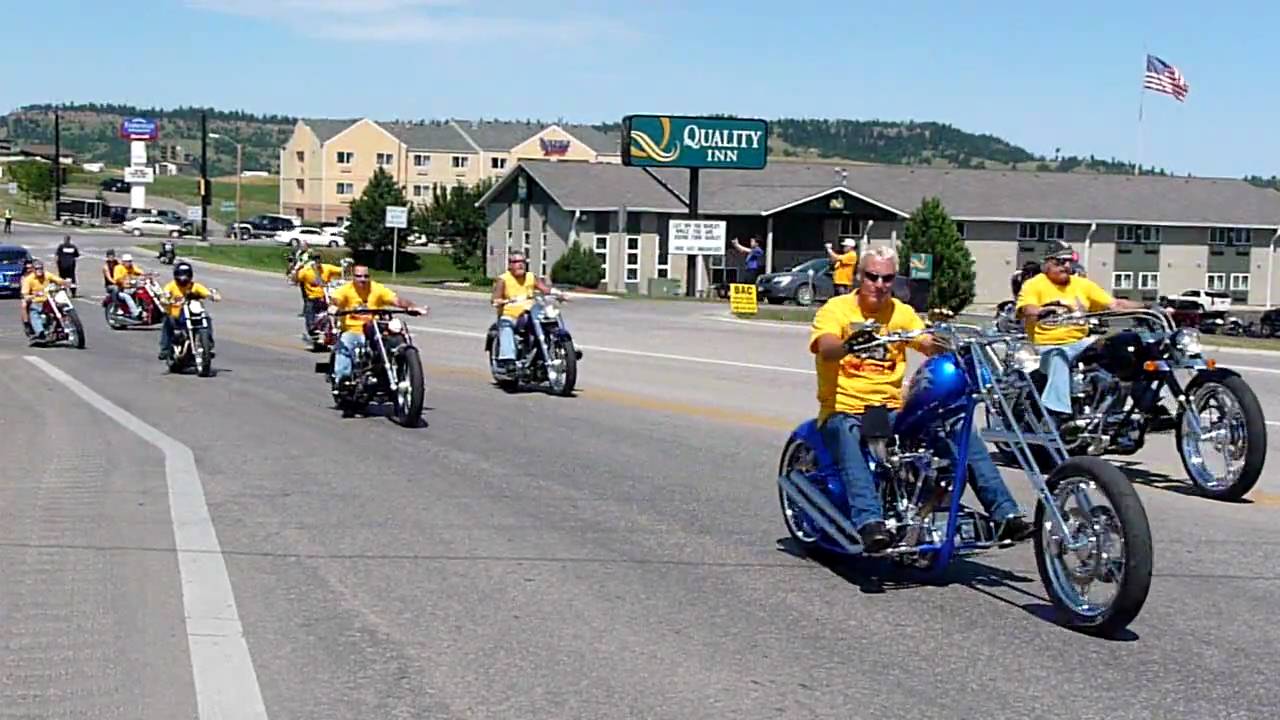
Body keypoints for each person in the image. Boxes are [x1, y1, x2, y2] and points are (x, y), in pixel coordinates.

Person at [809, 245, 1034, 552]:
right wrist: (848, 344)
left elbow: (926, 341)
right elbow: (826, 345)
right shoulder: (836, 309)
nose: (879, 284)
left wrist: (944, 337)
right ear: (860, 276)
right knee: (849, 436)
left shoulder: (900, 312)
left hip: (891, 409)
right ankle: (869, 523)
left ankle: (1005, 513)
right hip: (845, 407)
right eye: (873, 276)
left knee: (957, 423)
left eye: (887, 278)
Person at [1015, 240, 1143, 418]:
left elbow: (1114, 304)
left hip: (1081, 342)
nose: (1066, 266)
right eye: (1060, 262)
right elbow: (1026, 308)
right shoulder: (1035, 284)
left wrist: (1150, 307)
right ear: (1046, 263)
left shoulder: (1081, 284)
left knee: (1124, 344)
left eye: (1069, 261)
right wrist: (1042, 310)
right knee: (1058, 355)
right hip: (1047, 345)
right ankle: (1058, 412)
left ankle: (1142, 405)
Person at [328, 265, 425, 386]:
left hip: (375, 329)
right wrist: (334, 307)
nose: (363, 279)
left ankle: (396, 371)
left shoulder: (376, 288)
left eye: (366, 276)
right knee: (346, 343)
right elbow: (336, 301)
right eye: (359, 276)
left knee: (394, 339)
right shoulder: (345, 290)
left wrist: (411, 307)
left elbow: (396, 300)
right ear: (353, 277)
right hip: (353, 330)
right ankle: (341, 380)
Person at [490, 251, 557, 370]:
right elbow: (495, 298)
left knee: (549, 321)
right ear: (509, 265)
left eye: (522, 262)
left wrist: (558, 294)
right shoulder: (503, 279)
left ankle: (563, 347)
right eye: (516, 262)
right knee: (506, 325)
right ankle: (508, 359)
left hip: (529, 314)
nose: (520, 265)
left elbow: (544, 289)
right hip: (510, 315)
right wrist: (502, 301)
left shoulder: (530, 277)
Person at [158, 261, 220, 361]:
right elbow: (164, 295)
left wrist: (213, 296)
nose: (183, 278)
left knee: (207, 319)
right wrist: (165, 299)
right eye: (181, 275)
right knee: (167, 321)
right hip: (176, 316)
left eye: (186, 275)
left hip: (193, 316)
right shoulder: (171, 286)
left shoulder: (195, 286)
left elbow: (206, 293)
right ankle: (165, 349)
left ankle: (208, 345)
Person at [20, 260, 71, 341]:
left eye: (41, 268)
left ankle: (63, 328)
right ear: (33, 270)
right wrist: (34, 295)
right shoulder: (28, 279)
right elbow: (25, 295)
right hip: (37, 301)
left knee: (60, 307)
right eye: (37, 269)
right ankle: (40, 332)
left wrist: (65, 282)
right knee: (34, 313)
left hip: (49, 300)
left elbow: (57, 279)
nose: (39, 270)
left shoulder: (47, 275)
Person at [295, 255, 344, 338]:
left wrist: (346, 266)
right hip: (312, 297)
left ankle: (334, 328)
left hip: (326, 296)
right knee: (310, 310)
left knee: (334, 310)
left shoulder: (326, 268)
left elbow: (342, 271)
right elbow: (296, 279)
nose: (317, 261)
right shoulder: (306, 271)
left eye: (318, 259)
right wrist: (297, 270)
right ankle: (312, 331)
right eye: (315, 259)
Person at [111, 253, 146, 318]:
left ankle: (143, 308)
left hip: (130, 288)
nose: (129, 263)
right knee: (127, 297)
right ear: (123, 262)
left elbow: (139, 271)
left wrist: (144, 275)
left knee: (142, 292)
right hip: (120, 290)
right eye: (127, 261)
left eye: (130, 261)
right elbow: (117, 279)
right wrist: (124, 281)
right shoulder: (118, 268)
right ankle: (135, 313)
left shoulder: (131, 267)